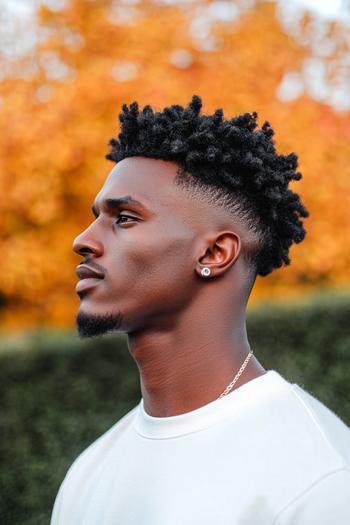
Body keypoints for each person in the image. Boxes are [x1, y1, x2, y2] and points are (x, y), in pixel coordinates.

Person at [51, 96, 350, 524]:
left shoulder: (318, 479)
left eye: (126, 218)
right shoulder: (91, 470)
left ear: (214, 252)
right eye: (96, 216)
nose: (83, 239)